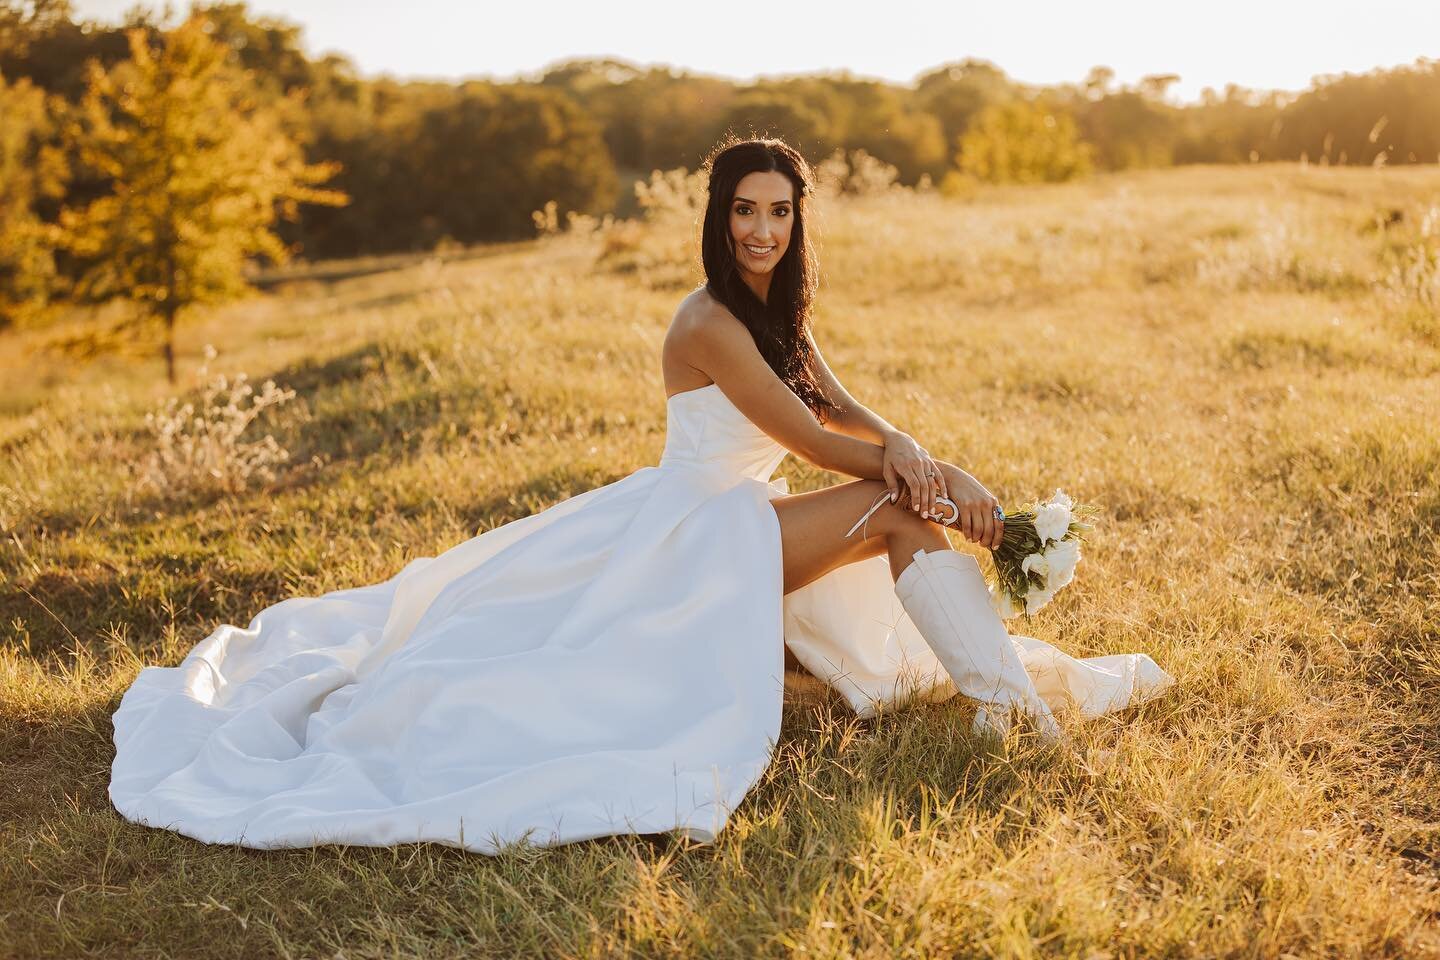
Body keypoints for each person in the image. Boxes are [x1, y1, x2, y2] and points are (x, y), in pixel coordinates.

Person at [108, 136, 1174, 855]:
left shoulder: (780, 308)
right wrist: (938, 492)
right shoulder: (708, 318)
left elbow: (848, 411)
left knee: (898, 502)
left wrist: (929, 457)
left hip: (735, 525)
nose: (762, 231)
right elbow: (805, 440)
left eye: (780, 215)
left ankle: (1003, 706)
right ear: (719, 216)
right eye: (746, 213)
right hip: (698, 532)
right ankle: (1010, 718)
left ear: (800, 222)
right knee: (894, 513)